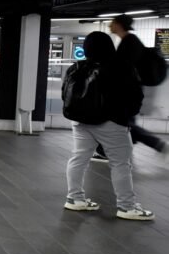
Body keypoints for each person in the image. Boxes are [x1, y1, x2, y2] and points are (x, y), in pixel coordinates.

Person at [63, 31, 153, 220]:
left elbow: (66, 94)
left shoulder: (75, 68)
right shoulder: (121, 67)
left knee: (79, 158)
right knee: (120, 164)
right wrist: (125, 115)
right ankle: (127, 207)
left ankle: (74, 198)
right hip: (112, 123)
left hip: (80, 121)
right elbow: (135, 95)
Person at [92, 15, 166, 161]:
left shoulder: (130, 42)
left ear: (119, 25)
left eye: (113, 23)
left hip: (127, 92)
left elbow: (124, 69)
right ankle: (112, 150)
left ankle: (158, 144)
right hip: (128, 91)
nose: (110, 25)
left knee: (119, 122)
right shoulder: (129, 41)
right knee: (122, 122)